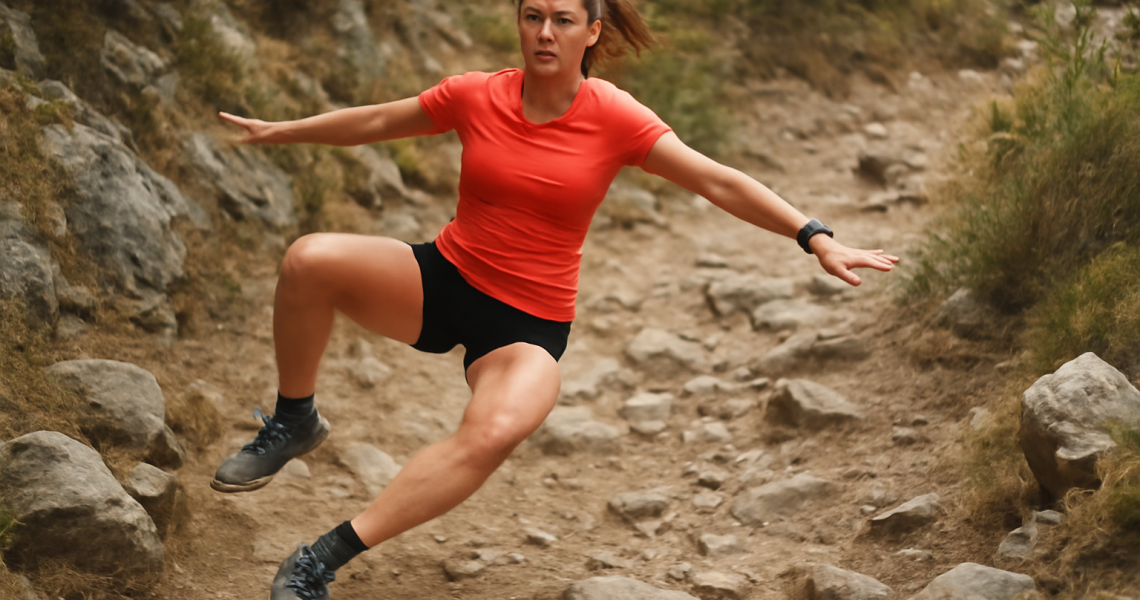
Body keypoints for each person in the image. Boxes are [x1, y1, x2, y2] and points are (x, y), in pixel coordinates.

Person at [212, 0, 900, 598]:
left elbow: (716, 181)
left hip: (527, 325)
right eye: (532, 16)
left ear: (591, 32)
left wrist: (812, 235)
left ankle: (319, 561)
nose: (545, 32)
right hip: (442, 279)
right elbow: (374, 122)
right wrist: (281, 130)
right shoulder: (476, 94)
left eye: (563, 20)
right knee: (308, 260)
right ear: (519, 22)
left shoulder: (614, 117)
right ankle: (294, 421)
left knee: (495, 430)